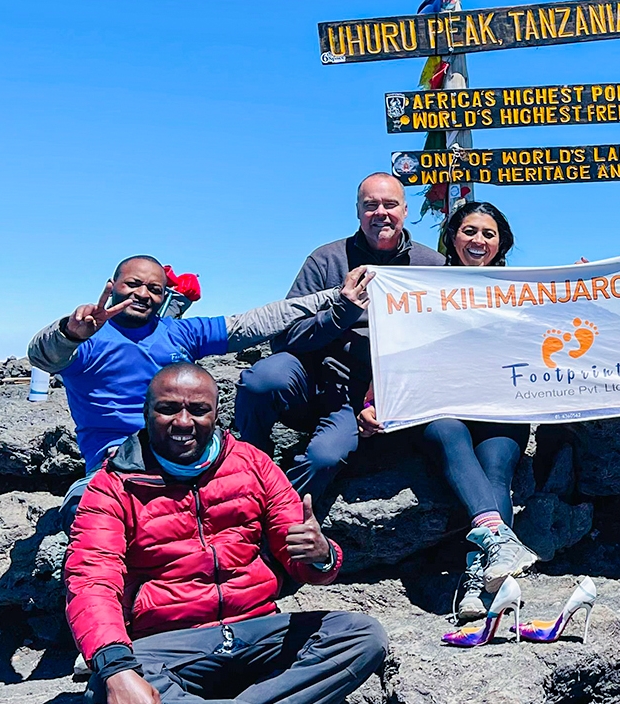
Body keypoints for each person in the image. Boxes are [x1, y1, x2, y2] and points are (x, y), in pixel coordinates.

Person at [66, 363, 386, 704]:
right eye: (168, 409)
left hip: (256, 629)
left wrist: (322, 556)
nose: (184, 422)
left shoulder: (252, 463)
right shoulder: (112, 485)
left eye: (199, 410)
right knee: (107, 684)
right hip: (169, 645)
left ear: (216, 414)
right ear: (146, 412)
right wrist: (116, 668)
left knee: (361, 635)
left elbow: (301, 558)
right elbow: (91, 579)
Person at [27, 254, 370, 527]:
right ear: (111, 285)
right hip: (118, 461)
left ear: (164, 296)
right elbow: (43, 355)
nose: (143, 294)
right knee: (85, 510)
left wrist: (333, 298)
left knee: (253, 490)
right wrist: (68, 333)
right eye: (133, 284)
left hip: (193, 452)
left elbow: (251, 323)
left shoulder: (178, 332)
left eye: (154, 289)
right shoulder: (87, 339)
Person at [356, 200, 537, 621]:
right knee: (447, 432)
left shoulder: (523, 288)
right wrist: (370, 401)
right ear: (453, 237)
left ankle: (479, 579)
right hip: (440, 407)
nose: (478, 240)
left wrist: (576, 286)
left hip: (500, 407)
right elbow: (393, 347)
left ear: (501, 243)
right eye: (469, 231)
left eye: (488, 234)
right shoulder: (419, 287)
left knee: (496, 471)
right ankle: (498, 549)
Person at [235, 173, 446, 501]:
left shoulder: (431, 266)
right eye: (370, 205)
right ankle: (250, 465)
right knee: (261, 379)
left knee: (325, 459)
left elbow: (444, 343)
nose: (380, 212)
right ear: (358, 212)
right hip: (309, 379)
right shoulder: (326, 259)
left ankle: (280, 513)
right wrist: (340, 314)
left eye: (390, 205)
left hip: (361, 395)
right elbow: (285, 336)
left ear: (405, 210)